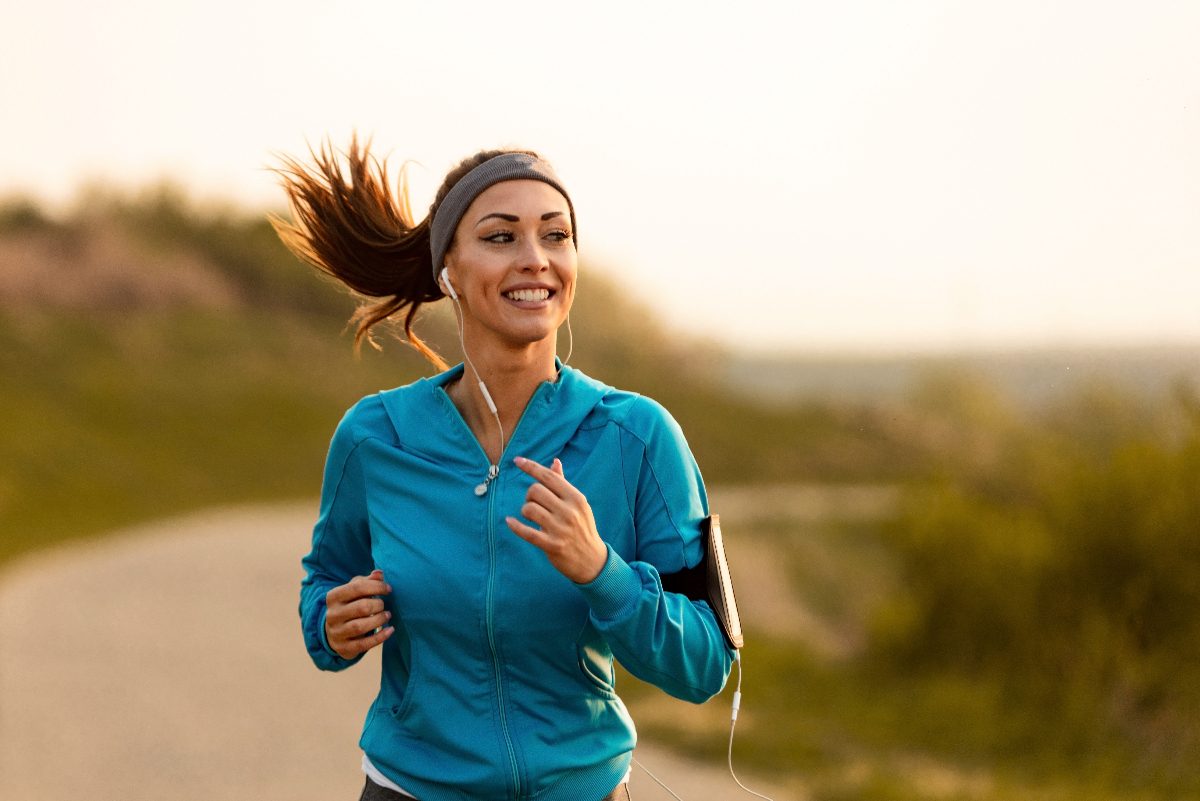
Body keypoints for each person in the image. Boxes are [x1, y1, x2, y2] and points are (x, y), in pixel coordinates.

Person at [273, 138, 735, 801]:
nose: (535, 259)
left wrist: (601, 570)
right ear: (448, 271)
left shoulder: (636, 435)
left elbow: (706, 662)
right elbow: (325, 584)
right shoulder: (376, 437)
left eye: (556, 235)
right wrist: (330, 623)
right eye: (501, 236)